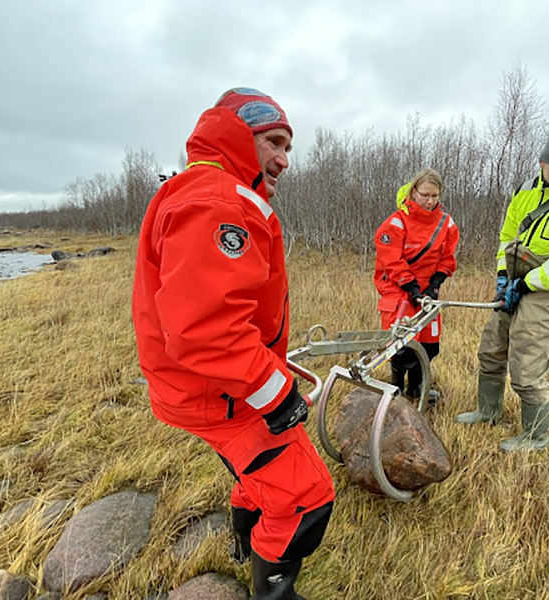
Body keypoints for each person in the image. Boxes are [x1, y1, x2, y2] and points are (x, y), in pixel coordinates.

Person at [132, 88, 334, 599]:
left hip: (212, 387)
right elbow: (206, 328)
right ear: (241, 133)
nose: (284, 159)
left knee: (255, 471)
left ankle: (243, 547)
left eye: (289, 147)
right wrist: (275, 394)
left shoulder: (213, 191)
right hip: (222, 393)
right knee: (306, 497)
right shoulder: (216, 199)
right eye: (274, 142)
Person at [456, 115, 549, 452]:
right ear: (543, 162)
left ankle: (535, 437)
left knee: (526, 357)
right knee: (492, 346)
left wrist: (524, 286)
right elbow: (508, 236)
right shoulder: (524, 191)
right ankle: (488, 411)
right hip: (517, 277)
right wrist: (501, 276)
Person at [373, 168, 460, 404]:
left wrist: (435, 284)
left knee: (429, 345)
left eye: (434, 196)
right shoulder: (396, 223)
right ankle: (396, 392)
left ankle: (417, 389)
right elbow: (391, 260)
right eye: (425, 195)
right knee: (401, 346)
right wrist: (411, 288)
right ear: (413, 192)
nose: (430, 201)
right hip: (399, 290)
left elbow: (448, 257)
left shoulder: (446, 224)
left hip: (427, 293)